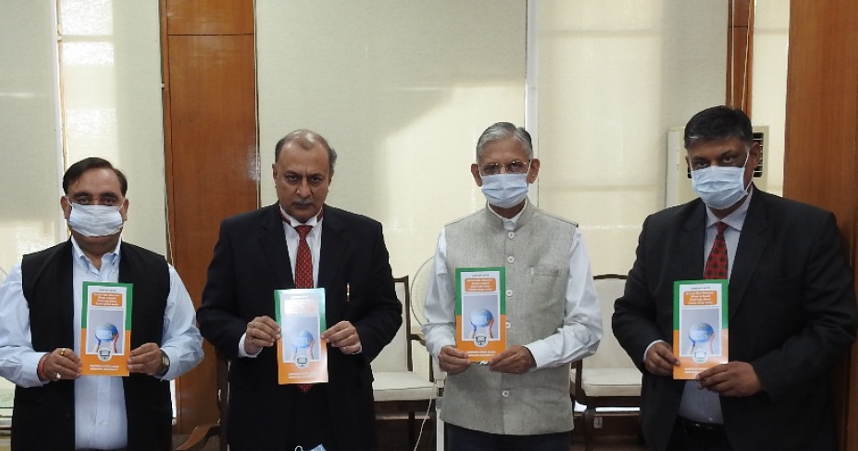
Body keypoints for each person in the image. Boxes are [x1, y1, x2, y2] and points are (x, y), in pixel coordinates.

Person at [612, 105, 858, 451]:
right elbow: (630, 312)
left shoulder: (806, 229)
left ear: (753, 156)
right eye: (701, 163)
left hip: (773, 433)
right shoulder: (661, 230)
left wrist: (763, 374)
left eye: (727, 159)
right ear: (688, 164)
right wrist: (649, 347)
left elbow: (834, 324)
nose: (714, 171)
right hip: (675, 433)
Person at [197, 129, 402, 451]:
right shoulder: (238, 234)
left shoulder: (364, 235)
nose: (304, 191)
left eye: (315, 179)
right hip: (262, 405)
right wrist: (244, 338)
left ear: (330, 178)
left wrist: (361, 336)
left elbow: (387, 310)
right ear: (274, 174)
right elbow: (211, 313)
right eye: (292, 178)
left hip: (341, 404)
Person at [0, 157, 203, 451]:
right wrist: (42, 364)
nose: (96, 208)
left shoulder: (160, 272)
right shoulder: (27, 273)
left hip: (142, 439)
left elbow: (190, 341)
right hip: (47, 440)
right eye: (84, 200)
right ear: (66, 207)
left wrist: (163, 359)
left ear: (124, 208)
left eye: (108, 200)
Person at [422, 122, 602, 451]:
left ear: (533, 169)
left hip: (542, 418)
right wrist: (443, 347)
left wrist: (534, 355)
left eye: (514, 165)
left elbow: (587, 328)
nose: (502, 175)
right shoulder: (452, 237)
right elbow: (436, 321)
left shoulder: (566, 236)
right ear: (477, 174)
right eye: (491, 168)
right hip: (471, 416)